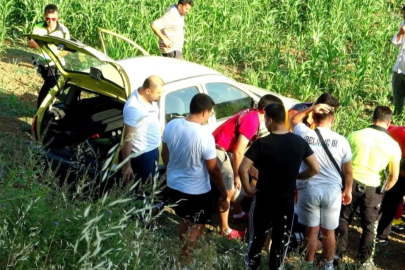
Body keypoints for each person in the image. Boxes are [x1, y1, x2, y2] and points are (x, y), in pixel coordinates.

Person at [240, 102, 319, 270]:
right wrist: (297, 177)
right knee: (281, 237)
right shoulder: (299, 142)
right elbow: (314, 168)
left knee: (256, 236)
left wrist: (247, 189)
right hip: (286, 199)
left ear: (269, 120)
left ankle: (252, 266)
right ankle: (276, 266)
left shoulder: (262, 142)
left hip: (263, 197)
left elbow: (243, 168)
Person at [161, 93, 228, 268]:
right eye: (211, 113)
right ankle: (184, 261)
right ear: (205, 112)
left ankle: (184, 255)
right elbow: (213, 170)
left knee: (184, 219)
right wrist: (223, 191)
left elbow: (164, 153)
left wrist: (171, 171)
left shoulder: (172, 125)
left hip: (174, 185)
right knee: (198, 224)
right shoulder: (205, 136)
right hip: (196, 190)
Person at [290, 93, 353, 270]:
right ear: (332, 119)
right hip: (332, 191)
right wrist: (347, 190)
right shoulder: (342, 141)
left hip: (308, 189)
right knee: (329, 231)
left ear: (314, 118)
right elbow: (347, 171)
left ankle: (308, 265)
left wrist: (312, 107)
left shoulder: (305, 133)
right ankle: (328, 265)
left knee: (311, 231)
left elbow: (294, 119)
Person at [336, 106, 401, 269]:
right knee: (369, 227)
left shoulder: (354, 135)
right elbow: (394, 176)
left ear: (372, 119)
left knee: (343, 219)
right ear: (388, 122)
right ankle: (364, 260)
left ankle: (338, 253)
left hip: (350, 183)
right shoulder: (393, 145)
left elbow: (343, 161)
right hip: (374, 188)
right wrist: (384, 191)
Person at [213, 94, 283, 239]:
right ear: (265, 110)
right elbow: (239, 152)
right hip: (219, 150)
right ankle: (225, 229)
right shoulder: (252, 120)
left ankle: (237, 213)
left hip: (226, 148)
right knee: (228, 189)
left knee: (235, 183)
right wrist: (238, 175)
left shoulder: (253, 114)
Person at [122, 75, 164, 186]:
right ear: (148, 90)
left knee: (152, 185)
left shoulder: (149, 98)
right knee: (145, 189)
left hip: (153, 150)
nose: (160, 95)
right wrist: (127, 166)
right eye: (159, 93)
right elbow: (127, 139)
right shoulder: (134, 108)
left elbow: (153, 116)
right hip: (143, 155)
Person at [29, 4, 70, 109]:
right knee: (54, 89)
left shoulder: (63, 31)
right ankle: (66, 101)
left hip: (56, 64)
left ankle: (40, 114)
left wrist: (58, 57)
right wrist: (46, 44)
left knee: (46, 89)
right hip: (42, 63)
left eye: (53, 18)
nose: (50, 21)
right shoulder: (38, 26)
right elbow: (31, 43)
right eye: (48, 18)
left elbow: (67, 49)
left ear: (57, 17)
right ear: (44, 17)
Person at [376, 124, 405, 245]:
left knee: (389, 204)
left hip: (396, 169)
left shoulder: (394, 130)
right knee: (390, 204)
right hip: (400, 170)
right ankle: (382, 235)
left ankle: (381, 235)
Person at [392, 5, 405, 115]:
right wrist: (401, 33)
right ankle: (397, 121)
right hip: (399, 69)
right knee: (398, 99)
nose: (403, 17)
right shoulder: (403, 24)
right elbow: (395, 44)